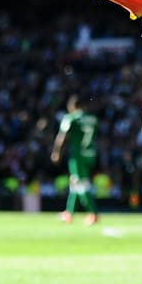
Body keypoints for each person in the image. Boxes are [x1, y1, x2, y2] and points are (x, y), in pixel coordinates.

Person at [51, 95, 100, 225]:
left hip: (78, 156)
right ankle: (69, 212)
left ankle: (93, 213)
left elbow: (62, 136)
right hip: (90, 154)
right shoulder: (93, 119)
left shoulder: (71, 118)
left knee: (82, 184)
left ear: (72, 107)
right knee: (75, 183)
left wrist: (56, 152)